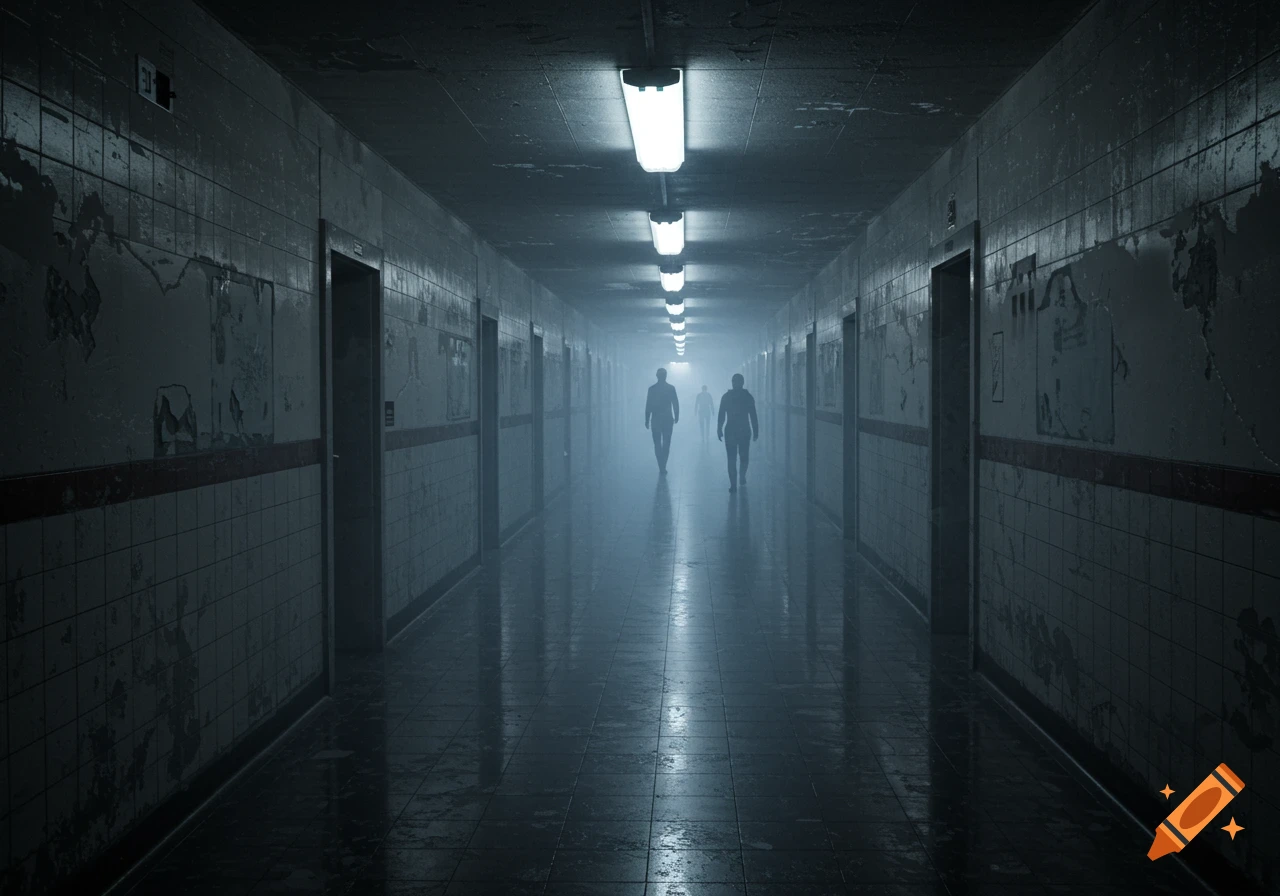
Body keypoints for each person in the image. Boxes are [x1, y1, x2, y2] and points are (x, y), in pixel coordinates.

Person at [717, 373, 758, 492]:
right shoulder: (748, 397)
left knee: (732, 458)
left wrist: (719, 429)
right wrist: (755, 431)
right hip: (744, 430)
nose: (735, 384)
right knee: (743, 457)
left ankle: (734, 484)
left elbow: (721, 415)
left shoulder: (726, 397)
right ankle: (741, 477)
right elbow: (753, 416)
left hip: (731, 430)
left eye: (735, 381)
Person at [644, 368, 679, 474]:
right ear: (666, 376)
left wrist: (646, 419)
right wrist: (676, 416)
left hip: (655, 420)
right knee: (666, 443)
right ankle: (663, 465)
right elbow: (675, 403)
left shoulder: (652, 389)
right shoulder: (671, 388)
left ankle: (661, 466)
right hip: (668, 419)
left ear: (657, 376)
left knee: (657, 443)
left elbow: (648, 405)